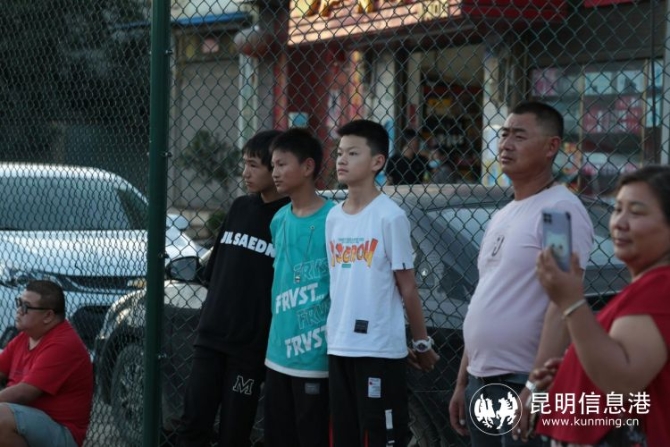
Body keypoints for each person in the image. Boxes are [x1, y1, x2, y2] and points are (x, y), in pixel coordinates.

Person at [448, 101, 594, 446]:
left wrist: (535, 388)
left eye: (519, 136)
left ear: (551, 146)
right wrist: (462, 381)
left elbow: (563, 303)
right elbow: (486, 296)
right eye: (503, 135)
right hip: (481, 381)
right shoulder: (502, 214)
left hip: (522, 381)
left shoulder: (558, 212)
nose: (505, 144)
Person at [530, 165, 670, 446]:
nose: (619, 222)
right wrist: (577, 369)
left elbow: (622, 381)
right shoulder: (646, 286)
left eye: (637, 212)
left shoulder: (661, 287)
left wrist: (571, 301)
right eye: (617, 209)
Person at [326, 119, 439, 447]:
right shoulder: (333, 217)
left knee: (384, 434)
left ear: (377, 161)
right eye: (340, 153)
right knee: (344, 434)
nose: (342, 160)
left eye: (353, 153)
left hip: (378, 348)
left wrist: (421, 342)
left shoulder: (390, 216)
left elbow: (408, 286)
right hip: (339, 345)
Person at [177, 130, 289, 447]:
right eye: (244, 164)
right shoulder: (240, 208)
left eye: (253, 165)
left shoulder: (288, 218)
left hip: (250, 347)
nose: (245, 173)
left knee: (235, 430)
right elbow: (214, 272)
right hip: (211, 338)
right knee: (193, 422)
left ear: (276, 168)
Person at [264, 128, 334, 447]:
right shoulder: (279, 219)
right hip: (277, 355)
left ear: (307, 167)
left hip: (316, 358)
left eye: (281, 164)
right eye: (272, 166)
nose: (274, 173)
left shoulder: (335, 219)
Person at [0, 280, 93, 447]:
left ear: (48, 316)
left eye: (26, 306)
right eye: (19, 303)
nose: (19, 310)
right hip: (29, 422)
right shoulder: (25, 337)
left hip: (61, 431)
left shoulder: (63, 344)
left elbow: (24, 394)